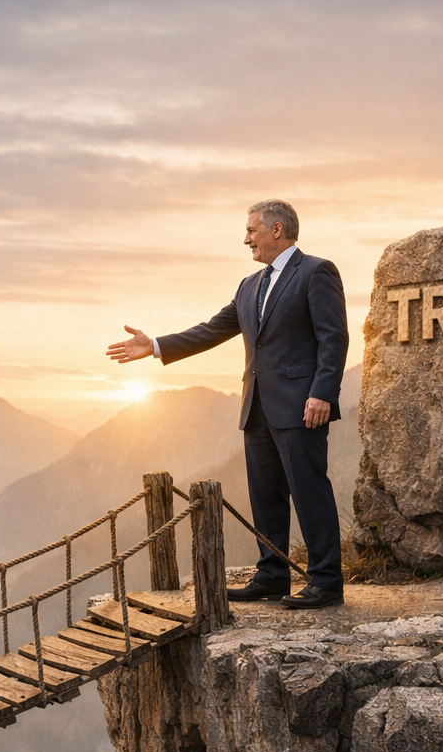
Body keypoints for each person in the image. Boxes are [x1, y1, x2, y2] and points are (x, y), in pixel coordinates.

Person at [106, 199, 349, 608]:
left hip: (302, 405)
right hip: (256, 406)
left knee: (310, 492)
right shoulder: (248, 286)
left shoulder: (316, 272)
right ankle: (272, 575)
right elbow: (212, 330)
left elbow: (334, 336)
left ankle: (326, 582)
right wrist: (156, 346)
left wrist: (323, 392)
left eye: (251, 230)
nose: (245, 238)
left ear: (276, 230)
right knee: (265, 494)